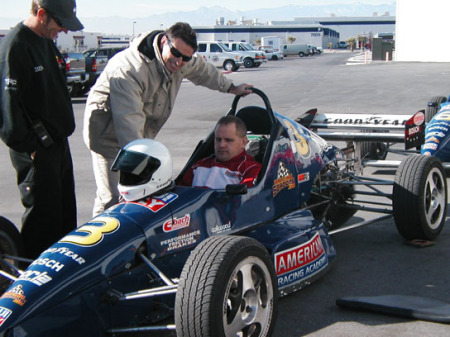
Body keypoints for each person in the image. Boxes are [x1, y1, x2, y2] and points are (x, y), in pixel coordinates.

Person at [83, 22, 253, 217]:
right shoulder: (129, 70)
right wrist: (140, 174)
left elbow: (204, 71)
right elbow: (129, 130)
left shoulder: (180, 60)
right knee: (113, 198)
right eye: (176, 54)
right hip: (109, 136)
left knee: (143, 197)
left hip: (139, 136)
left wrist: (231, 87)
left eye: (186, 58)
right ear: (164, 41)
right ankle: (100, 243)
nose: (179, 62)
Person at [0, 0, 84, 259]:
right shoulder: (16, 46)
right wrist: (31, 147)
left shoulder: (47, 42)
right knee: (42, 224)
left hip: (58, 146)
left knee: (64, 219)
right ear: (41, 14)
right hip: (36, 151)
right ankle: (32, 290)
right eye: (60, 24)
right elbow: (8, 111)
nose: (64, 31)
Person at [178, 116, 261, 189]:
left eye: (228, 140)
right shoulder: (198, 166)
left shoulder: (250, 169)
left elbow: (246, 200)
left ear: (243, 142)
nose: (222, 145)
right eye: (218, 139)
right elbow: (179, 193)